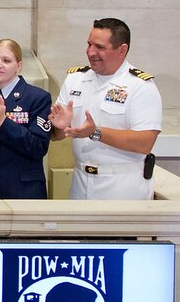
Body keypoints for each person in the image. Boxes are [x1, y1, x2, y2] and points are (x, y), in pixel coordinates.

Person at [49, 18, 162, 200]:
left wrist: (96, 133)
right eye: (89, 44)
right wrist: (60, 127)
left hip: (122, 186)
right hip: (80, 182)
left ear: (122, 50)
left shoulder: (140, 86)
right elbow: (57, 136)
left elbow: (145, 142)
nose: (90, 52)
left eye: (99, 47)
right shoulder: (75, 79)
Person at [0, 39, 52, 199]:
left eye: (6, 60)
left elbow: (38, 147)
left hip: (23, 189)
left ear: (18, 66)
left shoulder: (37, 97)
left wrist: (4, 123)